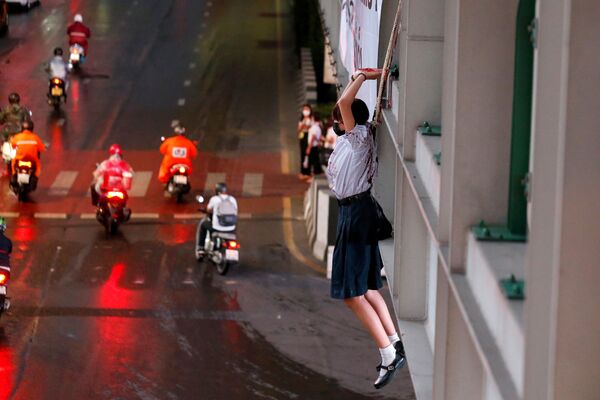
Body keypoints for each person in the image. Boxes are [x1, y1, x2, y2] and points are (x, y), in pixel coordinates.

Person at [326, 69, 406, 389]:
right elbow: (343, 104)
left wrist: (363, 76)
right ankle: (394, 343)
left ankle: (388, 353)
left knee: (351, 293)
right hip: (352, 214)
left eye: (339, 118)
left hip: (357, 214)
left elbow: (346, 101)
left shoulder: (359, 138)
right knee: (367, 287)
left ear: (349, 120)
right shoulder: (349, 140)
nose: (335, 122)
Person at [196, 182, 238, 256]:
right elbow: (235, 212)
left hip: (217, 228)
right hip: (231, 228)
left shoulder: (215, 199)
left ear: (217, 191)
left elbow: (208, 210)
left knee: (203, 224)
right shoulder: (232, 199)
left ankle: (200, 248)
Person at [9, 120, 45, 190]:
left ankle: (13, 176)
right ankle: (35, 178)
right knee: (38, 166)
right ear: (32, 129)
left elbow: (13, 145)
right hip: (32, 159)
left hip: (19, 159)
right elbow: (42, 148)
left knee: (13, 163)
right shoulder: (35, 137)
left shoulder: (17, 137)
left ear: (22, 128)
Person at [303, 113, 323, 178]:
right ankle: (314, 176)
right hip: (315, 146)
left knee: (313, 162)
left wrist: (309, 147)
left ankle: (313, 177)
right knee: (315, 162)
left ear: (313, 119)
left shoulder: (314, 127)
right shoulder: (318, 127)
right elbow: (317, 137)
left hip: (313, 147)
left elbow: (313, 137)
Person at [297, 104, 313, 180]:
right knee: (302, 154)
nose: (305, 111)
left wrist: (306, 125)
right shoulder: (301, 119)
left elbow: (311, 128)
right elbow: (299, 129)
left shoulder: (312, 119)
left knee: (308, 154)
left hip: (309, 136)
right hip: (302, 137)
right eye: (304, 109)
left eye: (307, 109)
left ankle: (308, 172)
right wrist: (304, 123)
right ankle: (302, 172)